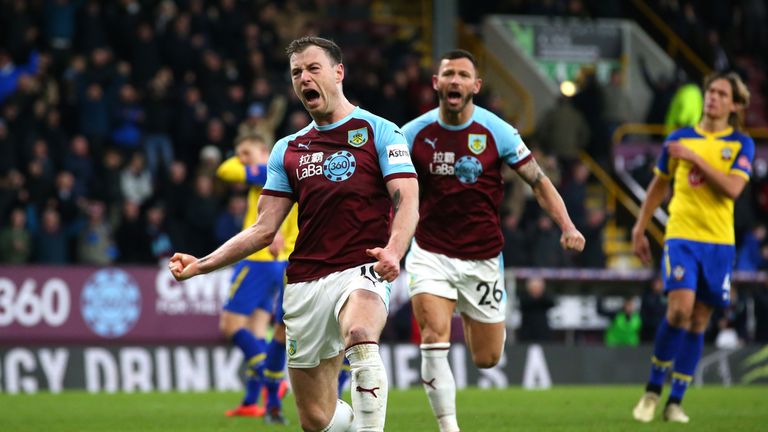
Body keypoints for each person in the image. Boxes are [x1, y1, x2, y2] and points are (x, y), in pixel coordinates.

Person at [169, 36, 419, 432]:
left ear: (339, 73)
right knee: (316, 419)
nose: (304, 78)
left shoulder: (379, 131)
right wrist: (202, 265)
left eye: (313, 68)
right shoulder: (289, 149)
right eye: (296, 72)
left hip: (362, 267)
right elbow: (262, 228)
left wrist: (393, 250)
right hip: (303, 282)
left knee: (359, 331)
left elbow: (408, 201)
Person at [401, 49, 585, 432]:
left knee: (486, 358)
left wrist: (568, 225)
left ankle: (470, 313)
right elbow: (389, 187)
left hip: (483, 258)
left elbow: (538, 181)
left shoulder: (497, 131)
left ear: (476, 86)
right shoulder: (412, 134)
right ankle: (449, 427)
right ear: (436, 83)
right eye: (448, 73)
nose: (455, 80)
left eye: (463, 75)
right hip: (430, 251)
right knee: (433, 336)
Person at [631, 72, 754, 423]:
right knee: (679, 311)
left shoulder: (741, 144)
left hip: (719, 243)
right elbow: (658, 186)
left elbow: (732, 189)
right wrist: (640, 228)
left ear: (735, 104)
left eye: (721, 94)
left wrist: (695, 159)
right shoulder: (680, 139)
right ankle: (653, 392)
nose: (712, 98)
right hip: (681, 236)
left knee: (700, 320)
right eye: (710, 91)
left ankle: (675, 402)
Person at [215, 133, 298, 424]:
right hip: (279, 263)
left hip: (256, 260)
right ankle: (252, 401)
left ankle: (270, 378)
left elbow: (224, 170)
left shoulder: (266, 171)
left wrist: (247, 162)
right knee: (258, 329)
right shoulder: (286, 173)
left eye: (246, 154)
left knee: (229, 325)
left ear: (264, 151)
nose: (242, 160)